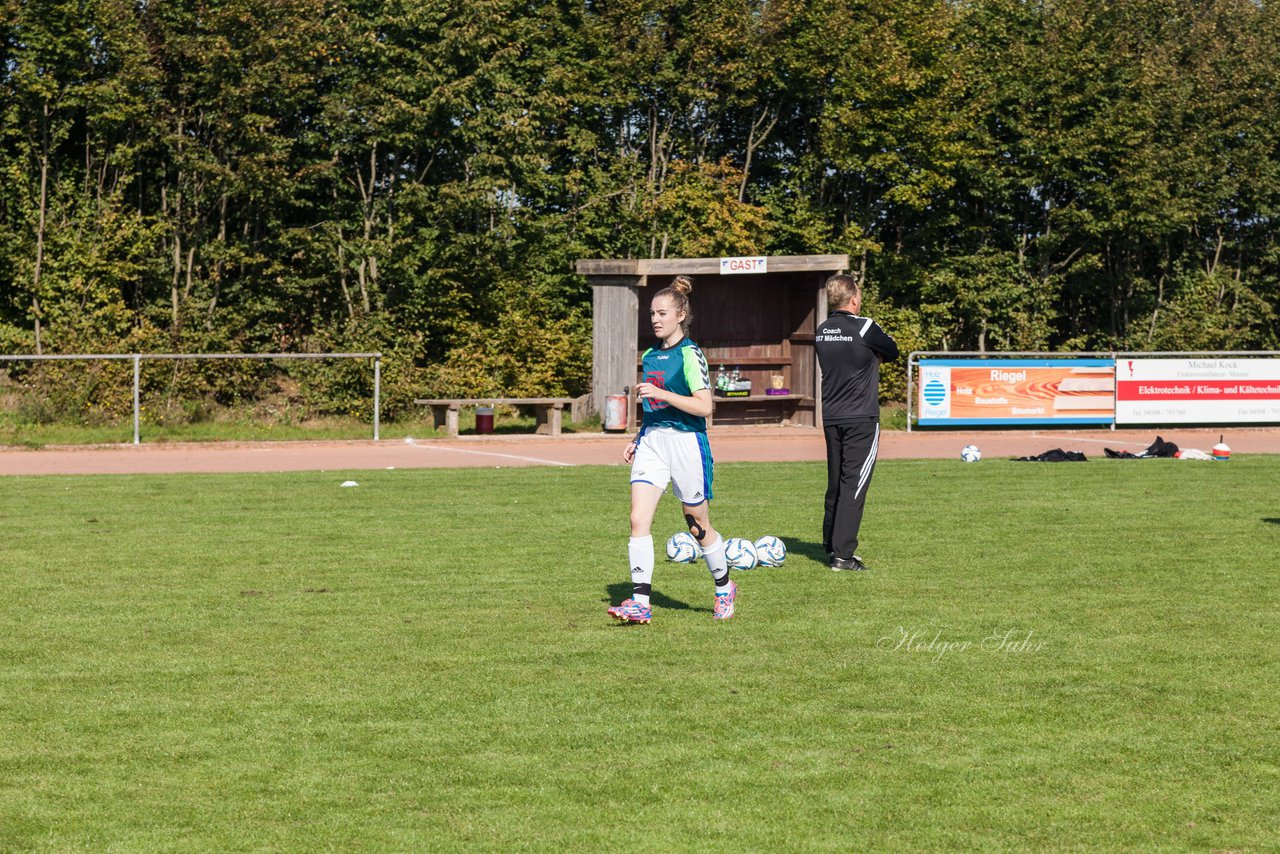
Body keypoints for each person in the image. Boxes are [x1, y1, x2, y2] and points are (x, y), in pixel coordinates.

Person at [607, 275, 737, 623]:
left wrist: (662, 394)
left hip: (687, 444)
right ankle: (640, 603)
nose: (655, 319)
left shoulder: (691, 355)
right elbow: (654, 409)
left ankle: (724, 587)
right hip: (653, 442)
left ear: (681, 315)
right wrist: (638, 438)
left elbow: (705, 407)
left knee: (697, 524)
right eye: (652, 313)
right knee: (638, 519)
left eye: (662, 313)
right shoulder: (649, 356)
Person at [815, 273, 899, 571]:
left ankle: (830, 543)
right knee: (854, 484)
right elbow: (892, 350)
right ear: (853, 298)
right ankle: (843, 555)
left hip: (832, 415)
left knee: (836, 480)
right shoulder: (866, 326)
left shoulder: (822, 331)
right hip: (861, 417)